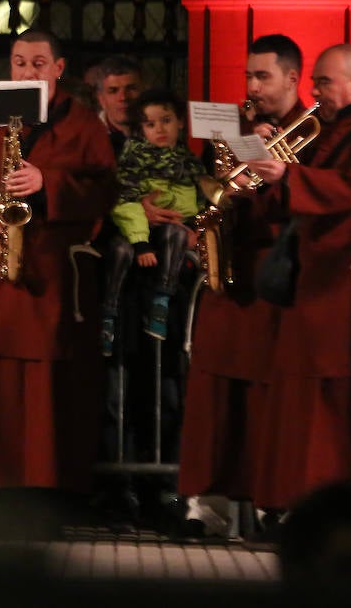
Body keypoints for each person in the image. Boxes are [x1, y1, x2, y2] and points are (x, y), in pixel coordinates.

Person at [246, 43, 351, 530]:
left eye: (323, 82)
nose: (314, 92)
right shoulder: (332, 131)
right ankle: (307, 506)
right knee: (313, 408)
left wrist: (290, 175)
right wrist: (261, 158)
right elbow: (297, 197)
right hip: (320, 287)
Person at [0, 29, 115, 498]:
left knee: (47, 387)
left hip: (52, 274)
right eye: (19, 63)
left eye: (38, 63)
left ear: (59, 68)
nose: (27, 72)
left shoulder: (83, 124)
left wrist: (48, 182)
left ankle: (47, 490)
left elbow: (105, 189)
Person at [176, 34, 305, 535]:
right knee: (214, 392)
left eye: (263, 76)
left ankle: (279, 504)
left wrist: (275, 175)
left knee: (273, 397)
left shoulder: (312, 131)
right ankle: (205, 507)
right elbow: (209, 184)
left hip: (277, 277)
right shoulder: (233, 122)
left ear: (292, 79)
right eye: (249, 75)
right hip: (228, 271)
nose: (252, 86)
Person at [104, 89, 203, 351]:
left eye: (166, 121)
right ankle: (108, 314)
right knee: (120, 251)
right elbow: (125, 202)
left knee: (177, 237)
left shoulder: (190, 164)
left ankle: (162, 301)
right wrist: (140, 241)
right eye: (150, 124)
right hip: (135, 237)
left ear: (180, 122)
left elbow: (199, 203)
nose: (159, 129)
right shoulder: (133, 161)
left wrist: (196, 227)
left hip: (174, 244)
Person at [88, 55, 142, 156]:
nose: (123, 97)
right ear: (101, 99)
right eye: (113, 91)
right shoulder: (85, 140)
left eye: (131, 88)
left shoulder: (163, 133)